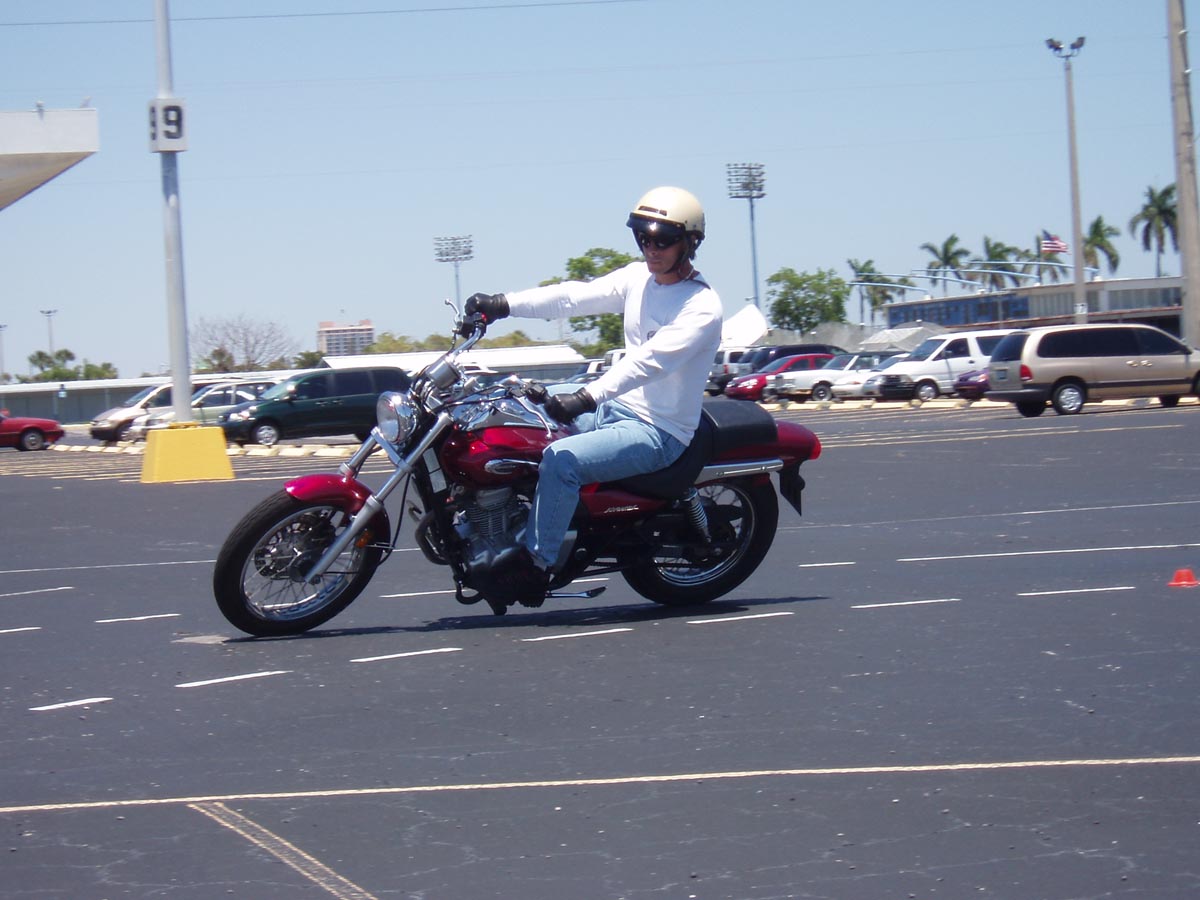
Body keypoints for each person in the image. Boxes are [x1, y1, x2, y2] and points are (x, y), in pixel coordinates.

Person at [462, 186, 723, 609]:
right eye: (643, 237)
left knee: (561, 461)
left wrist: (586, 397)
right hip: (615, 406)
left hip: (657, 430)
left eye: (662, 239)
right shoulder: (639, 279)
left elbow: (649, 363)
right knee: (510, 409)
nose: (651, 248)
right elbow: (572, 296)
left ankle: (536, 566)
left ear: (689, 242)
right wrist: (502, 304)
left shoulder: (701, 307)